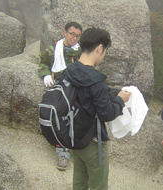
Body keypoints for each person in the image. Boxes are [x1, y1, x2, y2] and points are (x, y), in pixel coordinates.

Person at [66, 27, 131, 190]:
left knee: (79, 182)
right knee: (98, 185)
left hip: (74, 137)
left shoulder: (71, 70)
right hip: (93, 143)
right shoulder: (96, 79)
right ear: (99, 48)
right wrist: (121, 100)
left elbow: (87, 95)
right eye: (105, 51)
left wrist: (114, 93)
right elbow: (107, 113)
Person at [38, 21, 82, 171]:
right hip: (59, 89)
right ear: (64, 33)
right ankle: (63, 152)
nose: (74, 38)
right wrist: (45, 75)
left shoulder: (80, 52)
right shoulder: (53, 49)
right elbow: (43, 63)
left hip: (76, 89)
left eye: (77, 36)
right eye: (72, 34)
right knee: (60, 117)